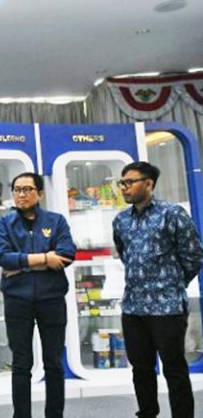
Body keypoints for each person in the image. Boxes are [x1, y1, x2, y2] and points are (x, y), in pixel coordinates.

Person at [113, 161, 203, 418]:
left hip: (167, 307)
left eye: (129, 182)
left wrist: (172, 283)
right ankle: (147, 412)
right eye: (122, 183)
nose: (124, 188)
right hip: (133, 307)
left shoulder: (172, 214)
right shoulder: (121, 221)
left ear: (149, 184)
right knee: (140, 369)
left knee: (174, 369)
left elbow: (194, 255)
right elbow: (125, 255)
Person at [0, 172, 75, 418]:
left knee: (54, 362)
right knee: (21, 363)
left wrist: (21, 266)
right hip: (17, 301)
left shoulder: (56, 221)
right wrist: (44, 259)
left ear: (39, 193)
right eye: (17, 190)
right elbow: (2, 257)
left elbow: (67, 254)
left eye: (27, 189)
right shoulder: (4, 224)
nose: (21, 194)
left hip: (52, 300)